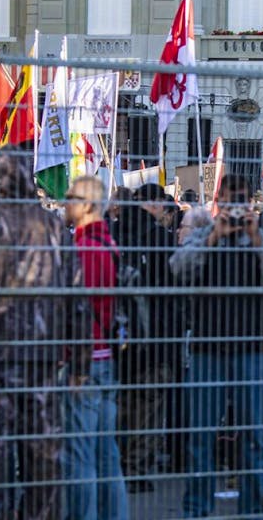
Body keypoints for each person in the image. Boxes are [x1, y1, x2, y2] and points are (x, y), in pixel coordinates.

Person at [170, 174, 263, 518]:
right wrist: (213, 237)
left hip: (253, 350)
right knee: (200, 438)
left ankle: (252, 509)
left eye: (241, 201)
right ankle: (196, 510)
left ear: (251, 205)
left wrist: (255, 238)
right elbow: (178, 269)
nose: (234, 208)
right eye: (228, 201)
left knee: (254, 437)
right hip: (208, 349)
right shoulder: (202, 235)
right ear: (217, 203)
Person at [0, 154, 73, 520]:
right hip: (42, 351)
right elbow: (77, 292)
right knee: (42, 451)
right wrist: (80, 356)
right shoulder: (53, 225)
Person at [61, 176, 128, 520]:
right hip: (104, 358)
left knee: (80, 456)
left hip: (85, 363)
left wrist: (77, 367)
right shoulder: (108, 244)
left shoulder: (85, 249)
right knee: (105, 454)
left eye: (70, 197)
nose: (64, 203)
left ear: (87, 205)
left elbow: (79, 312)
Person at [111, 183, 179, 494]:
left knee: (120, 409)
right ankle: (137, 470)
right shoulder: (162, 240)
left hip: (118, 339)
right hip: (157, 340)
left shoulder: (112, 238)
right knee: (150, 413)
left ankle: (116, 468)